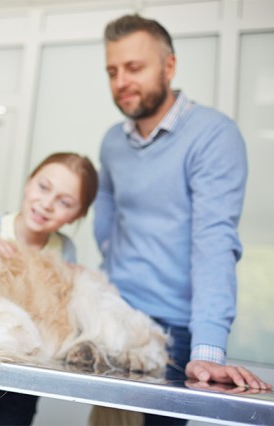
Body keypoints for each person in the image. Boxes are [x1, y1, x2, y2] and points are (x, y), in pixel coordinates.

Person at [95, 13, 271, 425]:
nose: (121, 81)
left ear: (169, 66)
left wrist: (208, 352)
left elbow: (214, 241)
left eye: (134, 68)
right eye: (112, 71)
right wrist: (112, 263)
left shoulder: (212, 135)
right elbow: (106, 208)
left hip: (174, 334)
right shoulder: (112, 141)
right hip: (114, 320)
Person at [0, 152, 99, 426]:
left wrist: (77, 282)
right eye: (43, 187)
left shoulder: (65, 252)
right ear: (28, 182)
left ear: (77, 215)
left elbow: (58, 316)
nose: (47, 204)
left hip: (23, 380)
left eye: (64, 202)